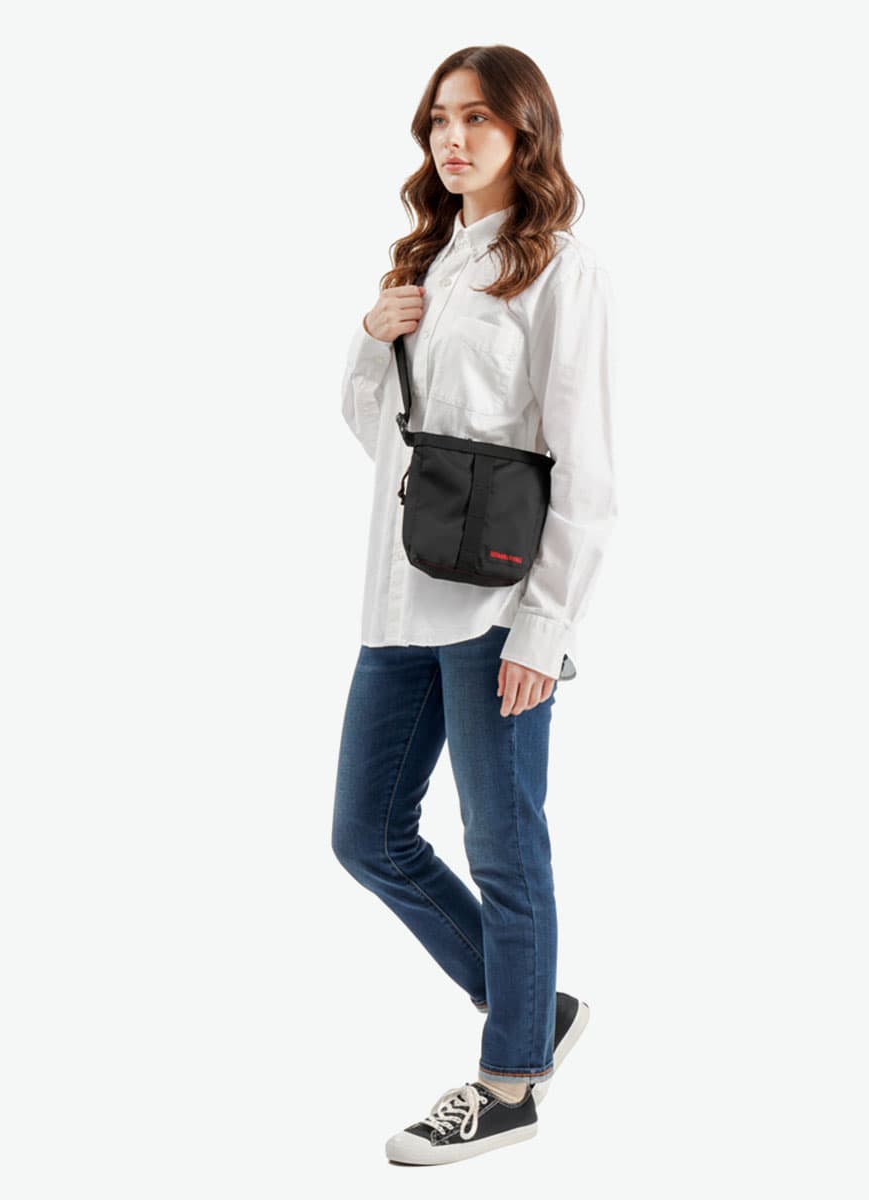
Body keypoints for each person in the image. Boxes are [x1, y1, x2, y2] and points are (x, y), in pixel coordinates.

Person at [331, 44, 616, 1166]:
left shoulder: (558, 270)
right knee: (367, 837)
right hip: (400, 601)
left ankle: (509, 1084)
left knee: (503, 847)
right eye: (440, 121)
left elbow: (585, 468)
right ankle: (534, 1006)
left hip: (497, 611)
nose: (453, 140)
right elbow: (387, 442)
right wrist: (373, 341)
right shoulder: (430, 260)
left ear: (523, 133)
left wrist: (546, 629)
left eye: (479, 120)